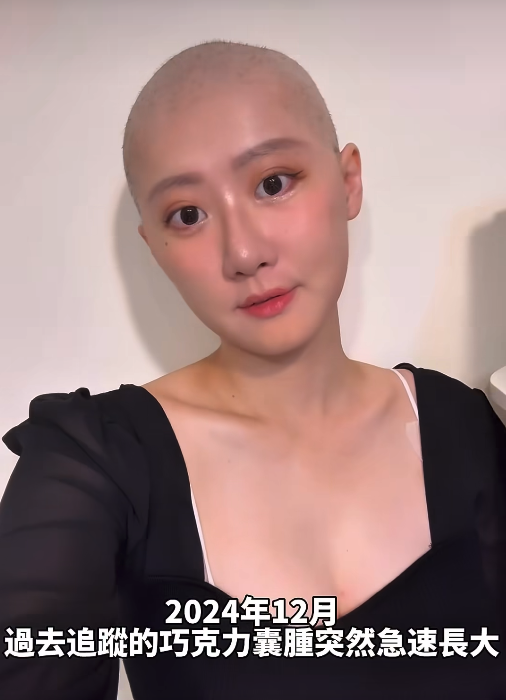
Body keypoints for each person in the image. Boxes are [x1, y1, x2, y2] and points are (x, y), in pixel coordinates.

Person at [1, 39, 506, 700]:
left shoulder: (470, 428)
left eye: (273, 183)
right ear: (154, 245)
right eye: (188, 215)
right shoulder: (94, 463)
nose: (243, 253)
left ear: (349, 182)